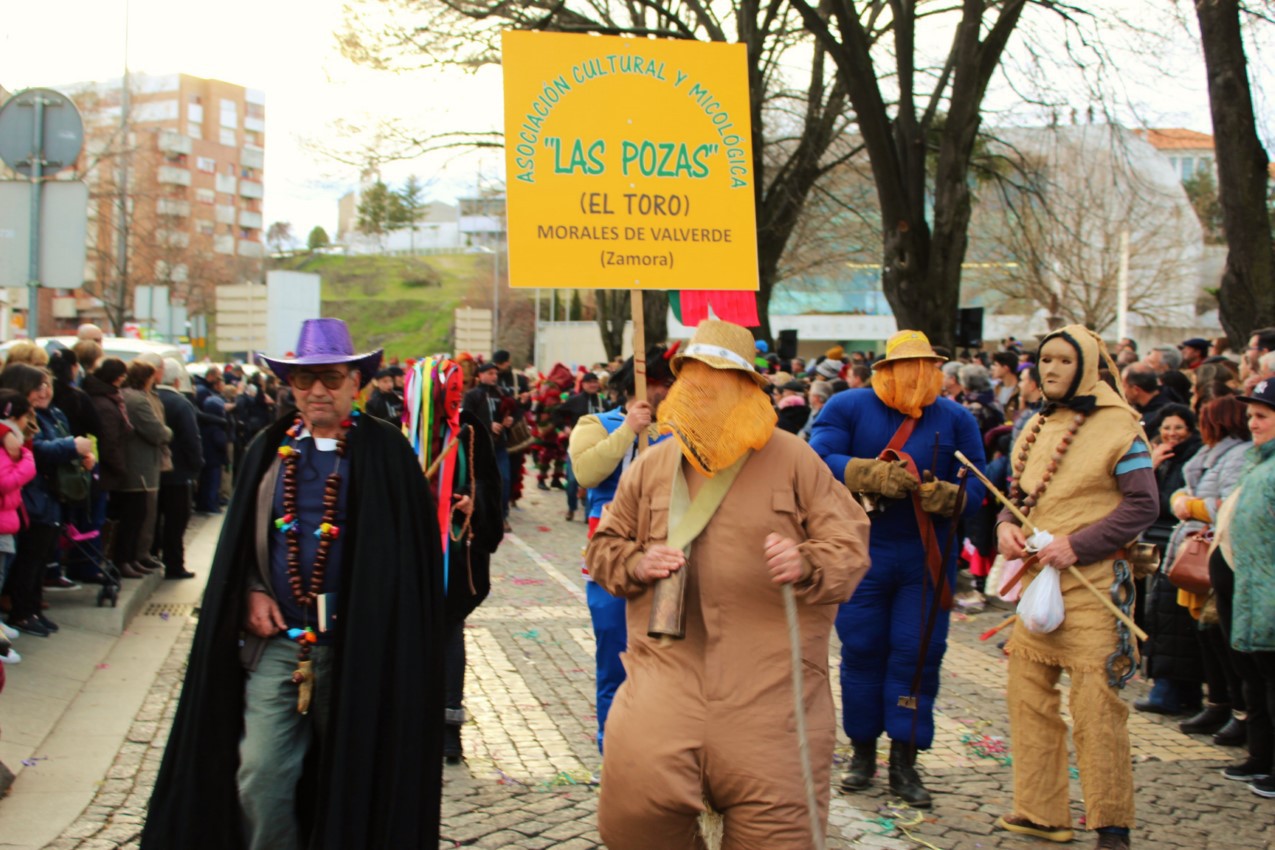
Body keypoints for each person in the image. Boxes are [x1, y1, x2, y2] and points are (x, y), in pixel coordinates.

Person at [142, 318, 450, 849]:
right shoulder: (268, 448)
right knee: (260, 774)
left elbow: (409, 563)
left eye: (330, 379)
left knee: (351, 777)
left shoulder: (388, 454)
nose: (316, 392)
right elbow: (243, 545)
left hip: (360, 651)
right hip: (279, 647)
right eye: (304, 381)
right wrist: (250, 590)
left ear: (358, 382)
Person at [587, 319, 871, 849]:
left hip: (772, 695)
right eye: (692, 379)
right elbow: (602, 550)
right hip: (664, 681)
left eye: (718, 380)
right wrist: (637, 562)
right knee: (631, 820)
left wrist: (806, 560)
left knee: (780, 835)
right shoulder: (650, 466)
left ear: (748, 390)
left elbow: (851, 545)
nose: (702, 392)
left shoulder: (794, 460)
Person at [993, 325, 1159, 850]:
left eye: (1063, 361)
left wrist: (1078, 545)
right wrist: (1005, 527)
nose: (1050, 370)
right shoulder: (1038, 424)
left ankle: (1112, 825)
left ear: (1086, 366)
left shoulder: (1120, 428)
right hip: (1041, 583)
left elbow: (1143, 505)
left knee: (1096, 707)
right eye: (1045, 361)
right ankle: (1042, 813)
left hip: (1094, 585)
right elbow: (1018, 494)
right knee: (1026, 695)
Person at [810, 329, 986, 807]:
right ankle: (862, 752)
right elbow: (817, 458)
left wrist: (952, 497)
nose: (914, 376)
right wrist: (868, 472)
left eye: (924, 366)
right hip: (861, 553)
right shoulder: (846, 406)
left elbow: (981, 486)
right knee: (862, 651)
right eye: (903, 366)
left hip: (927, 559)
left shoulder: (956, 418)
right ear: (883, 370)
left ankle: (906, 761)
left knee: (917, 654)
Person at [567, 345, 675, 752]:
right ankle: (612, 748)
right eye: (666, 382)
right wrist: (628, 429)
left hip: (666, 554)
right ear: (644, 383)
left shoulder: (679, 427)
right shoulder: (595, 423)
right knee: (614, 652)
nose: (672, 391)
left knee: (666, 656)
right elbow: (588, 473)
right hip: (610, 556)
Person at [1164, 397, 1250, 740]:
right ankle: (1217, 703)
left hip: (1216, 548)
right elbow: (1186, 490)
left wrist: (1191, 505)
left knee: (1218, 633)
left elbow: (1228, 504)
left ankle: (1237, 710)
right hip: (1195, 545)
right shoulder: (1208, 453)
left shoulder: (1237, 454)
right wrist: (1180, 500)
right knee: (1204, 633)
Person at [1207, 377, 1275, 799]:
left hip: (1266, 593)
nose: (1252, 423)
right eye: (1250, 415)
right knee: (1252, 677)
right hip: (1246, 589)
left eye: (1262, 416)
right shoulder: (1256, 462)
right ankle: (1261, 755)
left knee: (1271, 680)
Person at [0, 363, 96, 637]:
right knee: (26, 561)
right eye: (38, 386)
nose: (44, 392)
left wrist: (79, 455)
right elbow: (34, 452)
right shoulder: (18, 419)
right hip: (28, 497)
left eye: (47, 385)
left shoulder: (49, 414)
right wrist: (69, 448)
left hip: (44, 494)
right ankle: (22, 612)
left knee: (38, 558)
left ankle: (30, 610)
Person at [1135, 404, 1205, 716]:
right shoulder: (1159, 455)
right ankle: (1168, 684)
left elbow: (1161, 502)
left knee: (1168, 615)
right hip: (1151, 539)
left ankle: (1174, 690)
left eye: (1178, 427)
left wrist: (1149, 472)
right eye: (1166, 427)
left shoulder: (1191, 457)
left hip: (1174, 542)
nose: (1171, 434)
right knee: (1153, 610)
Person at [115, 361, 172, 577]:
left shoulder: (128, 396)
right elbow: (156, 431)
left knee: (137, 516)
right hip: (140, 466)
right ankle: (127, 558)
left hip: (137, 465)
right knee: (136, 516)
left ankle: (132, 558)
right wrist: (168, 433)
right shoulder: (138, 400)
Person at [154, 358, 203, 579]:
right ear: (176, 381)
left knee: (154, 518)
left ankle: (153, 555)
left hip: (154, 471)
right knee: (176, 521)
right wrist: (196, 465)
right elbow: (191, 438)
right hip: (179, 472)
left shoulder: (152, 399)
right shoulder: (180, 403)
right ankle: (174, 564)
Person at [556, 371, 605, 522]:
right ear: (583, 384)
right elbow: (556, 413)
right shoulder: (575, 400)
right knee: (572, 482)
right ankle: (571, 507)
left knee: (593, 483)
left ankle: (589, 516)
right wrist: (564, 427)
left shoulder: (603, 402)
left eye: (595, 382)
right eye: (589, 382)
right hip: (576, 448)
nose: (593, 385)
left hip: (598, 448)